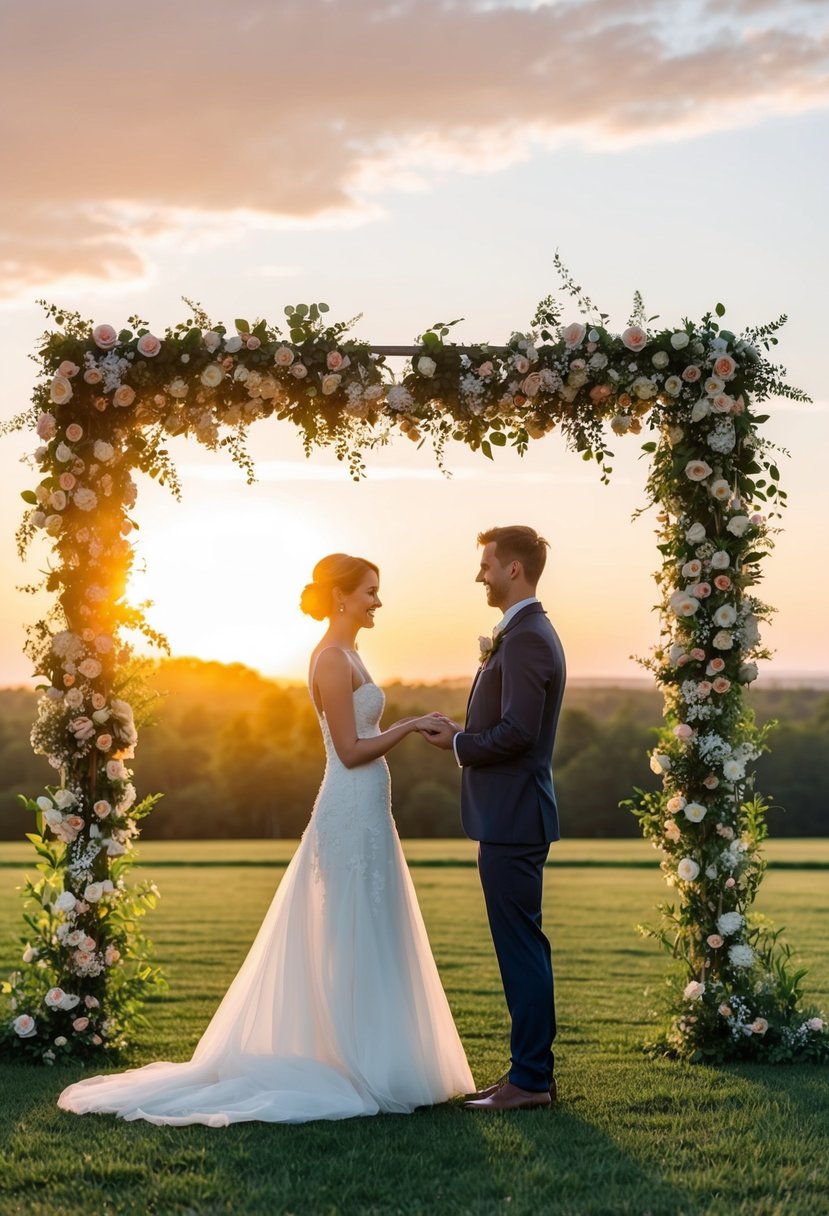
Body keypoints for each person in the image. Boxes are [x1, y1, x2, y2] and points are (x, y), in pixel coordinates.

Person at [58, 554, 473, 1125]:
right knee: (348, 928)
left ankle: (379, 1058)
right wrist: (406, 726)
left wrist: (403, 726)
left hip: (370, 810)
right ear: (342, 597)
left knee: (372, 925)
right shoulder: (330, 658)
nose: (378, 601)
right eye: (371, 591)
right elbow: (350, 752)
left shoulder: (351, 653)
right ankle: (354, 1063)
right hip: (348, 806)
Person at [421, 526, 566, 1111]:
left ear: (513, 570)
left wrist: (458, 743)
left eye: (486, 564)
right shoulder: (522, 633)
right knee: (521, 946)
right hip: (507, 816)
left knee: (521, 950)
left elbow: (518, 734)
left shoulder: (529, 637)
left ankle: (530, 1082)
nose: (479, 575)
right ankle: (531, 1075)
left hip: (513, 818)